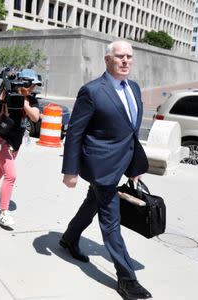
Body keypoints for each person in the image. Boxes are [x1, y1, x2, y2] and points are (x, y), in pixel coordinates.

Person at [60, 40, 152, 299]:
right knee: (111, 221)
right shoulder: (92, 91)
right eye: (120, 56)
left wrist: (135, 166)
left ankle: (69, 238)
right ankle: (126, 278)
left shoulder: (133, 87)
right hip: (100, 166)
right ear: (108, 60)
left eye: (129, 57)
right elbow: (75, 132)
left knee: (93, 203)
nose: (125, 61)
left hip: (123, 162)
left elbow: (131, 133)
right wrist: (70, 170)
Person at [0, 68, 40, 227]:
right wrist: (9, 94)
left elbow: (35, 117)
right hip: (1, 141)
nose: (34, 89)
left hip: (15, 145)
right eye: (31, 86)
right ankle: (3, 213)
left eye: (35, 86)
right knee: (11, 175)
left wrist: (23, 100)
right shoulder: (8, 96)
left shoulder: (31, 100)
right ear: (23, 83)